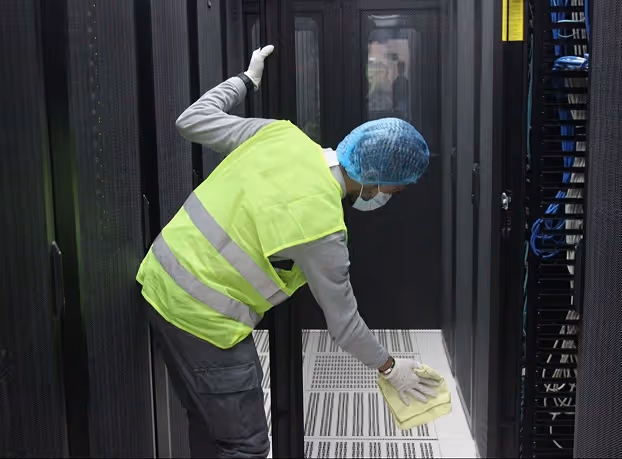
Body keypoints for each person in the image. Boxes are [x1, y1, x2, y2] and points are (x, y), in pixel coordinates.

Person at [137, 45, 438, 458]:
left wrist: (246, 80)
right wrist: (390, 368)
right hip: (204, 321)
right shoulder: (323, 226)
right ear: (375, 180)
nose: (387, 198)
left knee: (210, 426)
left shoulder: (280, 135)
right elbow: (344, 324)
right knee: (246, 445)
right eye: (393, 190)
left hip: (158, 279)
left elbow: (191, 120)